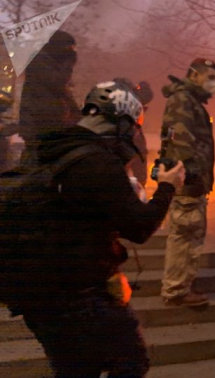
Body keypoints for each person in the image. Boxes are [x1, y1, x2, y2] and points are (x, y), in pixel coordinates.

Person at [8, 81, 185, 377]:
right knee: (131, 362)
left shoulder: (48, 150)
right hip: (78, 295)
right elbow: (140, 226)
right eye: (133, 127)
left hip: (37, 294)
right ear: (121, 121)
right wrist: (167, 186)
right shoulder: (97, 161)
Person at [160, 58, 215, 307]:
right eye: (209, 76)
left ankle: (181, 285)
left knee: (189, 235)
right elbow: (181, 141)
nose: (213, 83)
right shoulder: (183, 99)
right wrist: (193, 176)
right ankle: (176, 291)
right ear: (194, 75)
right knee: (185, 234)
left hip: (190, 179)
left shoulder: (188, 100)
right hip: (188, 181)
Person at [19, 31, 81, 167]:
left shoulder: (50, 63)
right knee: (35, 168)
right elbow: (57, 82)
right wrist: (69, 63)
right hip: (39, 127)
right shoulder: (39, 61)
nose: (71, 53)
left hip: (50, 126)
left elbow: (63, 93)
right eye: (69, 49)